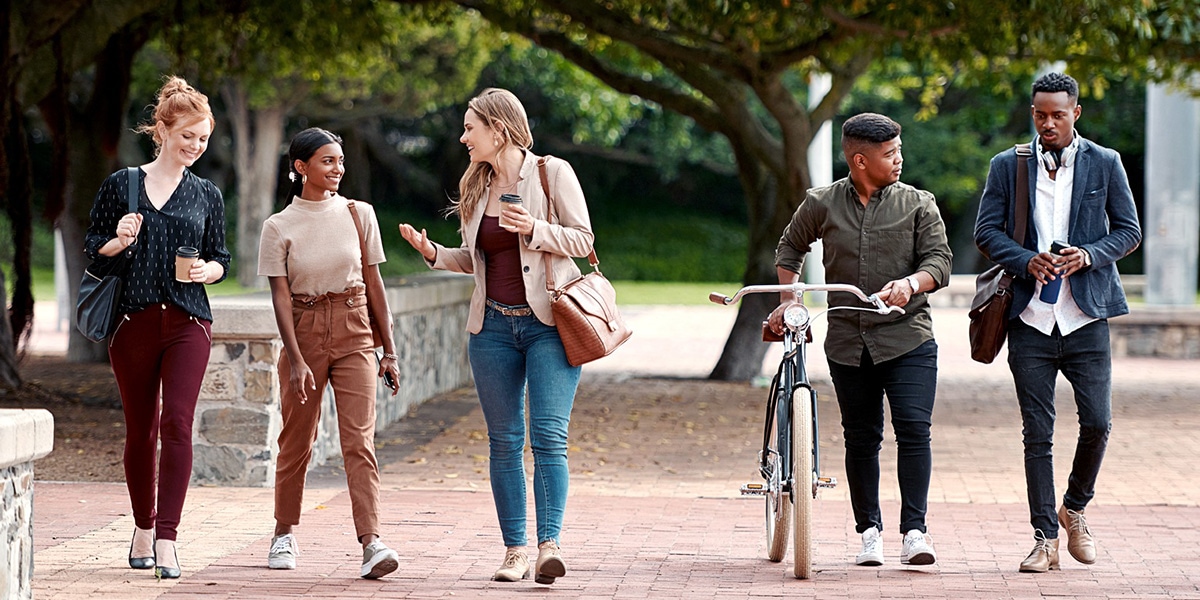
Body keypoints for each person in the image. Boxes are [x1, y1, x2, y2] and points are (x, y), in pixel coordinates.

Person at [398, 88, 593, 585]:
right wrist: (433, 253)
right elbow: (476, 260)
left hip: (549, 324)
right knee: (504, 442)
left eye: (470, 127)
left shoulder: (552, 173)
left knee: (548, 438)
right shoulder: (476, 186)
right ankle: (515, 552)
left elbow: (584, 240)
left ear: (499, 130)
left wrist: (535, 228)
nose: (463, 137)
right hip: (492, 330)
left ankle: (549, 545)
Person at [974, 72, 1141, 573]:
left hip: (1086, 316)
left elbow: (1129, 231)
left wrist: (1087, 256)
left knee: (1098, 422)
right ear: (1032, 113)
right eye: (1040, 115)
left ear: (1076, 113)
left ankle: (1075, 507)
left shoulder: (1106, 163)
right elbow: (986, 231)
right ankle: (1045, 536)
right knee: (1037, 433)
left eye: (1058, 115)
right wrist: (1027, 260)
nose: (1048, 123)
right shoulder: (1009, 164)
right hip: (1029, 317)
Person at [769, 113, 952, 568]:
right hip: (849, 340)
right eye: (890, 154)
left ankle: (915, 532)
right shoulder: (822, 203)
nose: (899, 159)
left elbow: (940, 261)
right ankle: (869, 533)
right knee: (861, 437)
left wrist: (911, 284)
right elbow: (790, 247)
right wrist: (791, 295)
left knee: (913, 429)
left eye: (899, 149)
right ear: (860, 160)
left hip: (908, 337)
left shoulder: (918, 203)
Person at [83, 76, 231, 580]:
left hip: (189, 321)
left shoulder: (207, 194)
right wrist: (118, 240)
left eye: (204, 138)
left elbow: (220, 258)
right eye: (188, 135)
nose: (195, 145)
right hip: (132, 323)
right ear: (162, 130)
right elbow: (93, 251)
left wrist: (208, 271)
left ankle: (167, 537)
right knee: (141, 430)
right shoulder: (121, 185)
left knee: (179, 425)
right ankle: (142, 526)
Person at [258, 127, 402, 579]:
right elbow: (280, 298)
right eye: (327, 161)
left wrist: (389, 352)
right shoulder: (278, 226)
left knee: (359, 440)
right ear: (301, 168)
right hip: (304, 330)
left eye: (340, 161)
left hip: (355, 328)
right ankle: (283, 533)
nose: (338, 169)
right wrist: (296, 358)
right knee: (296, 440)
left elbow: (375, 283)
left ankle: (371, 542)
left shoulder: (360, 214)